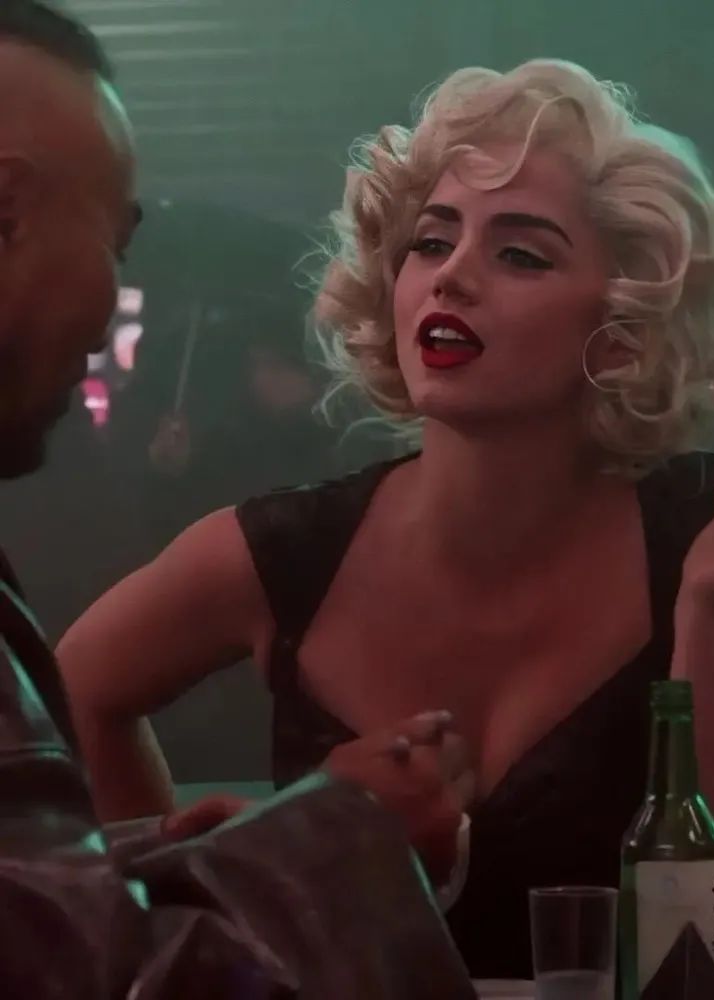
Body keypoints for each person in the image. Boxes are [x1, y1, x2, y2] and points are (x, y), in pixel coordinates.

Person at [61, 59, 714, 977]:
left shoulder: (700, 537)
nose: (453, 277)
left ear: (622, 327)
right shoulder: (286, 552)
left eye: (520, 254)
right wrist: (175, 921)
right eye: (432, 242)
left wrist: (707, 611)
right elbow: (73, 697)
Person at [0, 3, 475, 996]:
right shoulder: (290, 535)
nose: (111, 308)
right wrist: (332, 845)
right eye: (117, 246)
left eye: (522, 253)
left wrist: (203, 863)